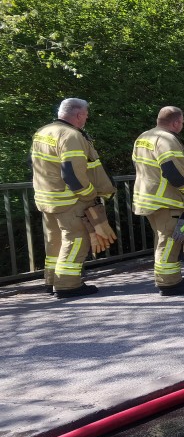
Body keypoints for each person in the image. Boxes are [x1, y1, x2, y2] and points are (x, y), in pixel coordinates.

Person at [30, 98, 117, 299]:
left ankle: (52, 281)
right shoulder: (71, 136)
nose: (86, 118)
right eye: (86, 115)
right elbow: (72, 173)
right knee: (76, 239)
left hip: (47, 198)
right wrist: (88, 195)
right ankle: (68, 285)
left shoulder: (43, 131)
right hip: (70, 200)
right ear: (79, 115)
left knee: (55, 241)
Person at [132, 106, 184, 296]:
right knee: (169, 241)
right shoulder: (168, 140)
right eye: (182, 122)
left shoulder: (143, 137)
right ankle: (169, 283)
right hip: (166, 200)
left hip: (147, 198)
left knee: (161, 240)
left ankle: (167, 278)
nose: (182, 125)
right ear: (175, 122)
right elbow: (173, 172)